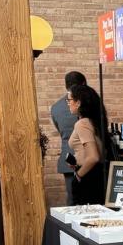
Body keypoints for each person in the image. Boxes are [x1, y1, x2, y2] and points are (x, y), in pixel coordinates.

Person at [67, 83, 110, 205]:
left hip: (87, 177)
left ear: (78, 102)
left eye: (69, 100)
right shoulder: (93, 121)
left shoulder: (82, 124)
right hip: (96, 175)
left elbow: (93, 157)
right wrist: (77, 160)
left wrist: (78, 176)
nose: (68, 103)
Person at [52, 71, 87, 204]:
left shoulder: (55, 107)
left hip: (68, 156)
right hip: (88, 155)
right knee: (93, 199)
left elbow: (61, 131)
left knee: (72, 197)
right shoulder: (88, 101)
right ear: (83, 84)